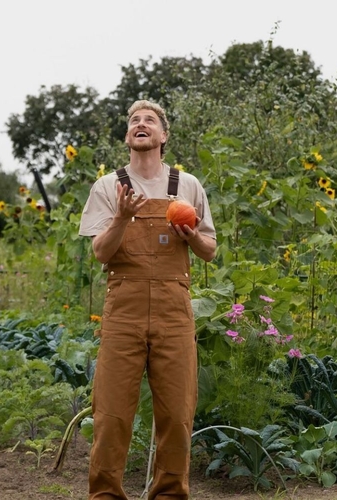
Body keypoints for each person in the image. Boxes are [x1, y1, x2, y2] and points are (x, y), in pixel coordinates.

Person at [79, 99, 216, 499]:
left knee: (176, 414)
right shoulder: (108, 187)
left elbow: (209, 250)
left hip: (174, 309)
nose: (141, 124)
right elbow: (102, 253)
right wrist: (122, 217)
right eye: (135, 121)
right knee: (112, 415)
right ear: (128, 136)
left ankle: (170, 494)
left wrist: (192, 237)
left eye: (150, 120)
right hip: (124, 308)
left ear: (163, 135)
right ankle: (105, 495)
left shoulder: (186, 186)